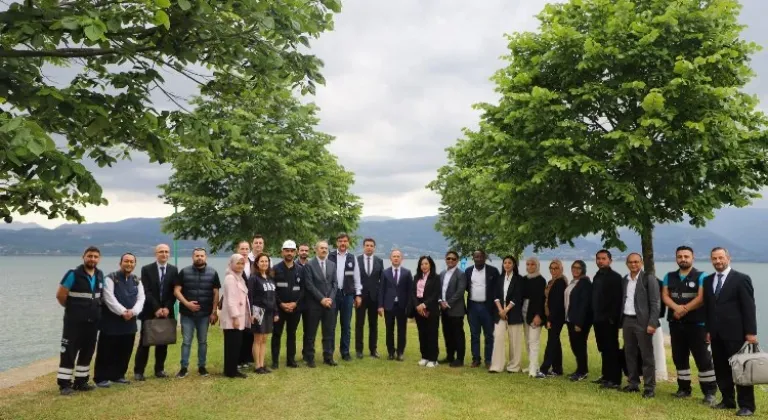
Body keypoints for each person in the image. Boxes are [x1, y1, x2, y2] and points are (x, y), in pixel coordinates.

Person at [704, 247, 758, 417]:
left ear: (728, 258)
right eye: (714, 258)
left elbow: (749, 307)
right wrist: (707, 330)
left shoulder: (741, 279)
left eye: (721, 258)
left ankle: (747, 405)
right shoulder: (708, 280)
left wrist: (751, 333)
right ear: (711, 260)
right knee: (721, 369)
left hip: (737, 334)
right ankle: (727, 400)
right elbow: (708, 308)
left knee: (740, 370)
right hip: (716, 334)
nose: (718, 261)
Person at [662, 246, 717, 404]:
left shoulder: (702, 276)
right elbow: (665, 295)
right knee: (679, 357)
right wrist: (676, 308)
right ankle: (684, 389)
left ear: (693, 258)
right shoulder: (669, 276)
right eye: (680, 256)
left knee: (703, 359)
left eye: (686, 256)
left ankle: (709, 392)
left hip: (697, 324)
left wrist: (684, 308)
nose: (683, 259)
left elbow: (701, 298)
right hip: (676, 323)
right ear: (676, 258)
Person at [55, 246, 105, 395]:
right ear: (83, 257)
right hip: (74, 322)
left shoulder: (100, 274)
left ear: (99, 259)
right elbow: (60, 295)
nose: (92, 259)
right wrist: (72, 310)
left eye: (96, 256)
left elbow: (100, 296)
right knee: (69, 351)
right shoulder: (73, 274)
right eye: (90, 256)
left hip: (93, 322)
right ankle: (64, 384)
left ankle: (81, 382)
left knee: (88, 351)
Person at [94, 253, 145, 388]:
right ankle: (100, 378)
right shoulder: (110, 278)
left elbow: (141, 299)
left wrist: (133, 312)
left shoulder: (137, 280)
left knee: (125, 350)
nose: (129, 264)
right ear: (120, 263)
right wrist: (123, 312)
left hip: (130, 323)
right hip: (111, 322)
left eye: (132, 262)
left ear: (135, 264)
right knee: (106, 350)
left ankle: (118, 375)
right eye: (126, 261)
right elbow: (109, 298)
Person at [173, 248, 220, 378]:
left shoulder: (213, 273)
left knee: (203, 341)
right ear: (192, 257)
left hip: (205, 314)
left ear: (206, 257)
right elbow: (177, 291)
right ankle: (183, 368)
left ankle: (202, 367)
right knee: (186, 342)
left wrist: (214, 312)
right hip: (187, 314)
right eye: (197, 255)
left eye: (202, 255)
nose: (199, 257)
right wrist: (187, 304)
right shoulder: (184, 272)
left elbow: (216, 293)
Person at [134, 243, 177, 381]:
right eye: (161, 252)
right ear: (156, 254)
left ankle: (159, 370)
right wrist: (157, 308)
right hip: (150, 311)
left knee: (162, 342)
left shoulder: (173, 270)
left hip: (166, 311)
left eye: (166, 252)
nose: (164, 254)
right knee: (145, 342)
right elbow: (146, 291)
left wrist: (167, 308)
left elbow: (173, 292)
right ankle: (139, 371)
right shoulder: (146, 269)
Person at [620, 253, 660, 398]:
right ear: (627, 264)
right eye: (630, 262)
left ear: (641, 263)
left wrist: (652, 323)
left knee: (646, 355)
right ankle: (633, 384)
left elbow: (655, 303)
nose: (633, 264)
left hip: (643, 322)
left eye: (636, 262)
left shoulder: (648, 279)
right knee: (629, 353)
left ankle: (649, 387)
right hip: (627, 320)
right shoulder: (625, 280)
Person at [302, 241, 338, 367]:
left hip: (329, 305)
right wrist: (322, 299)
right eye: (322, 248)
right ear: (316, 250)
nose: (324, 250)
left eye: (326, 248)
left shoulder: (332, 265)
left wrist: (330, 299)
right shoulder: (309, 265)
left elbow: (335, 284)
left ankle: (328, 357)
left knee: (329, 332)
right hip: (314, 305)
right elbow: (309, 285)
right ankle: (309, 358)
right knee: (311, 333)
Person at [328, 232, 363, 362]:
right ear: (337, 243)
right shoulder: (330, 257)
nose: (343, 243)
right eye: (340, 241)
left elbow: (357, 278)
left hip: (348, 295)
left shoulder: (352, 258)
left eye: (345, 241)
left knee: (346, 325)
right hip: (333, 295)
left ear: (348, 243)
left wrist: (358, 295)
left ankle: (345, 352)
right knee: (331, 324)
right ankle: (329, 352)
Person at [591, 249, 623, 388]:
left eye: (603, 258)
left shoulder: (615, 277)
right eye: (598, 258)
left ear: (610, 260)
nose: (600, 261)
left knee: (612, 349)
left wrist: (612, 319)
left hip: (609, 320)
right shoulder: (597, 276)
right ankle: (606, 376)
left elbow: (617, 300)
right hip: (598, 319)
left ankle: (615, 380)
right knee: (603, 348)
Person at [271, 240, 304, 369]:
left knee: (292, 334)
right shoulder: (275, 269)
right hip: (279, 309)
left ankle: (291, 360)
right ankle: (275, 361)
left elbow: (303, 290)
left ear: (295, 252)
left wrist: (295, 304)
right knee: (277, 334)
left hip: (295, 309)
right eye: (287, 250)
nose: (289, 253)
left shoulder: (301, 270)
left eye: (291, 251)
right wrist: (281, 304)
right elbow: (272, 289)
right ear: (282, 252)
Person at [488, 255, 524, 373]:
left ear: (514, 265)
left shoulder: (519, 279)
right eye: (505, 263)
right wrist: (500, 310)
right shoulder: (499, 278)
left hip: (514, 312)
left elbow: (517, 297)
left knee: (514, 340)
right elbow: (495, 296)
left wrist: (506, 310)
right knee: (498, 338)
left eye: (509, 263)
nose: (507, 265)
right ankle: (496, 366)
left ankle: (514, 366)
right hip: (500, 312)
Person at [465, 249, 500, 368]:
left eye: (481, 257)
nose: (479, 259)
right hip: (473, 307)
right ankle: (476, 359)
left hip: (487, 307)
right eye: (476, 257)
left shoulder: (493, 271)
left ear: (485, 258)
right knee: (474, 335)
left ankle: (489, 360)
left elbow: (497, 290)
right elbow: (465, 288)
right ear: (473, 258)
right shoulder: (468, 271)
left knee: (489, 335)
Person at [378, 249, 413, 361]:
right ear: (390, 258)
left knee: (402, 330)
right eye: (394, 256)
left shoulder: (407, 273)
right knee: (389, 330)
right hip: (389, 305)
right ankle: (391, 352)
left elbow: (410, 291)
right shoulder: (385, 273)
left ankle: (400, 352)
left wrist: (409, 306)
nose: (396, 258)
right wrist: (380, 305)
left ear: (401, 259)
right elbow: (381, 290)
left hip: (402, 306)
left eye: (398, 256)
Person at [221, 254, 250, 378]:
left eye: (242, 263)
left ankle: (231, 369)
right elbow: (231, 300)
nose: (240, 266)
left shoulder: (239, 278)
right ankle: (231, 371)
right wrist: (235, 318)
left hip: (240, 317)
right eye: (237, 263)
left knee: (235, 345)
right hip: (233, 319)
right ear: (231, 264)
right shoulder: (230, 279)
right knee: (232, 345)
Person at [249, 253, 278, 374]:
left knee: (265, 338)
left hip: (269, 312)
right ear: (257, 263)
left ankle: (262, 364)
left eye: (266, 261)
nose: (264, 263)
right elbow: (249, 296)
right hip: (258, 311)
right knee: (258, 338)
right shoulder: (253, 278)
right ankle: (257, 366)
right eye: (262, 261)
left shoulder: (270, 278)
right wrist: (251, 312)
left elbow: (274, 296)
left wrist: (276, 312)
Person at [355, 238, 384, 359]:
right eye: (367, 245)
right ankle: (359, 350)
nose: (369, 247)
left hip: (374, 298)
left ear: (374, 248)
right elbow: (354, 280)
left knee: (373, 325)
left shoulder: (379, 261)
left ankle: (373, 350)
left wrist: (381, 302)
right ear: (363, 247)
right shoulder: (357, 260)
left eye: (371, 245)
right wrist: (356, 295)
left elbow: (382, 282)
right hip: (360, 297)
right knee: (359, 324)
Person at [438, 251, 467, 367]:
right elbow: (438, 289)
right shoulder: (442, 273)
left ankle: (460, 359)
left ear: (457, 260)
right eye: (448, 258)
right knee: (447, 333)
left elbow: (460, 291)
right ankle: (450, 356)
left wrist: (448, 303)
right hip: (444, 309)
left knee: (458, 334)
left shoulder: (461, 274)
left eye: (453, 259)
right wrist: (440, 301)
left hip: (456, 309)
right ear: (445, 259)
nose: (450, 260)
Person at [539, 259, 568, 377]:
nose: (553, 270)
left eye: (556, 268)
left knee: (551, 342)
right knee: (555, 341)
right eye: (551, 268)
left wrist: (550, 319)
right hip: (550, 315)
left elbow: (557, 303)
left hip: (556, 317)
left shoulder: (560, 282)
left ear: (561, 269)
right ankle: (557, 369)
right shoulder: (552, 281)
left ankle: (544, 370)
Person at [411, 256, 441, 367]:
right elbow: (413, 293)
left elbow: (435, 294)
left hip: (431, 309)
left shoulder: (436, 278)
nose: (424, 266)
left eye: (426, 264)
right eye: (422, 264)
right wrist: (417, 305)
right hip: (418, 310)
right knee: (422, 333)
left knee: (432, 333)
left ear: (431, 265)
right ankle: (424, 356)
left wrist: (424, 304)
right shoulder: (416, 277)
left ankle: (433, 359)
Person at [566, 260, 593, 381]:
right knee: (574, 345)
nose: (575, 270)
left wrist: (579, 323)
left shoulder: (585, 283)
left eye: (578, 268)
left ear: (583, 269)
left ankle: (583, 371)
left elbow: (584, 304)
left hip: (579, 321)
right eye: (573, 267)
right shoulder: (573, 282)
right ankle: (580, 369)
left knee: (580, 346)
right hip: (570, 319)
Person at [522, 256, 547, 378]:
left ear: (537, 266)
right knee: (527, 340)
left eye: (532, 264)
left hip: (535, 314)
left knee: (534, 341)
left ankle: (533, 369)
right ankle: (533, 364)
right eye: (527, 264)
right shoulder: (524, 279)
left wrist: (538, 315)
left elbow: (541, 300)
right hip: (524, 313)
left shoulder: (541, 280)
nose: (529, 267)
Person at [235, 241, 254, 369]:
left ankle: (247, 358)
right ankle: (238, 359)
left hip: (252, 301)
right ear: (238, 250)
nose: (244, 251)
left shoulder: (254, 265)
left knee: (249, 331)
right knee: (239, 331)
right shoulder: (234, 264)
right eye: (242, 248)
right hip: (239, 301)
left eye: (247, 248)